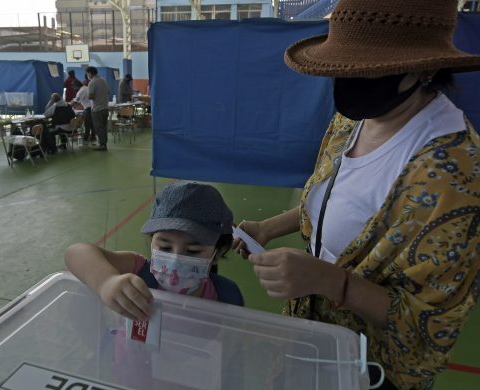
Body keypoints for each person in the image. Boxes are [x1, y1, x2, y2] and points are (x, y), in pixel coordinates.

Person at [233, 1, 480, 389]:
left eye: (374, 68)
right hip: (315, 341)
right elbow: (338, 198)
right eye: (345, 64)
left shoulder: (452, 173)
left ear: (427, 67)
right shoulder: (354, 119)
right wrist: (268, 228)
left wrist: (331, 282)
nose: (354, 77)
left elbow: (427, 324)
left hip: (372, 371)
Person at [65, 182, 244, 321]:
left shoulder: (226, 295)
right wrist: (106, 281)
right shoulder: (139, 272)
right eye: (165, 247)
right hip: (131, 367)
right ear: (152, 242)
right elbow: (75, 253)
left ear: (217, 253)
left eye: (192, 251)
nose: (175, 260)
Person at [86, 66, 109, 151]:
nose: (87, 75)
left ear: (90, 73)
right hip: (105, 107)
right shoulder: (104, 80)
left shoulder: (92, 82)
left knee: (98, 127)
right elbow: (108, 92)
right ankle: (104, 143)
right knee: (104, 126)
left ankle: (102, 145)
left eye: (87, 74)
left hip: (97, 108)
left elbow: (90, 96)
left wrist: (88, 95)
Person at [71, 79, 95, 145]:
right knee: (92, 124)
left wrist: (68, 106)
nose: (73, 88)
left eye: (73, 87)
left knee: (87, 124)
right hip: (92, 107)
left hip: (88, 108)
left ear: (76, 86)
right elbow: (77, 102)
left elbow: (76, 101)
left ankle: (86, 138)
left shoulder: (81, 91)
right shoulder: (86, 87)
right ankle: (93, 137)